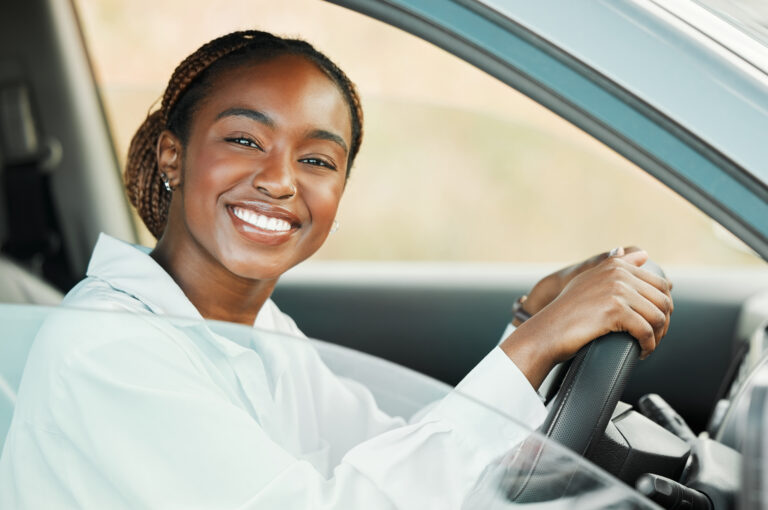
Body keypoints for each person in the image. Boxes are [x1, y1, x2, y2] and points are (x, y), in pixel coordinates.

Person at [0, 31, 673, 508]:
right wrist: (536, 345)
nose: (280, 180)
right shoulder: (110, 351)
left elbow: (403, 462)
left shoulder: (256, 330)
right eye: (243, 140)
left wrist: (526, 323)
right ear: (173, 158)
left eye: (317, 160)